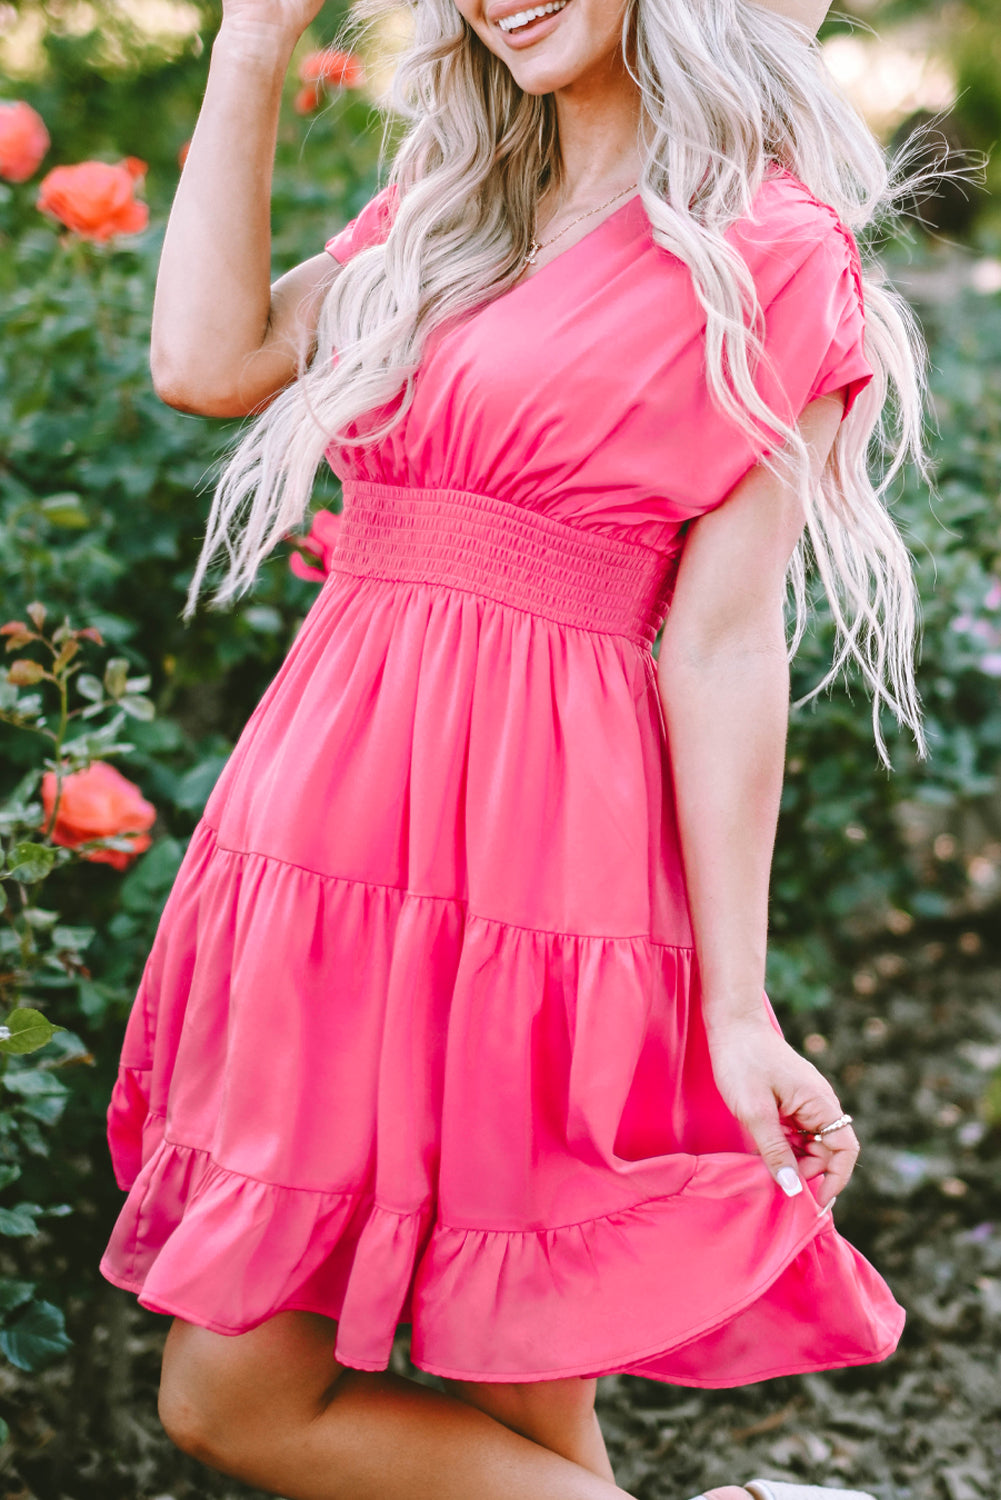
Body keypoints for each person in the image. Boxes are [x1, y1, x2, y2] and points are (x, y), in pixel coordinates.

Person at [97, 0, 939, 1494]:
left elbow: (724, 639)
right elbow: (206, 360)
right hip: (324, 832)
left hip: (538, 863)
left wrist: (734, 1010)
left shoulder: (773, 245)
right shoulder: (449, 205)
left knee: (475, 1373)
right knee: (264, 1393)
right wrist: (253, 41)